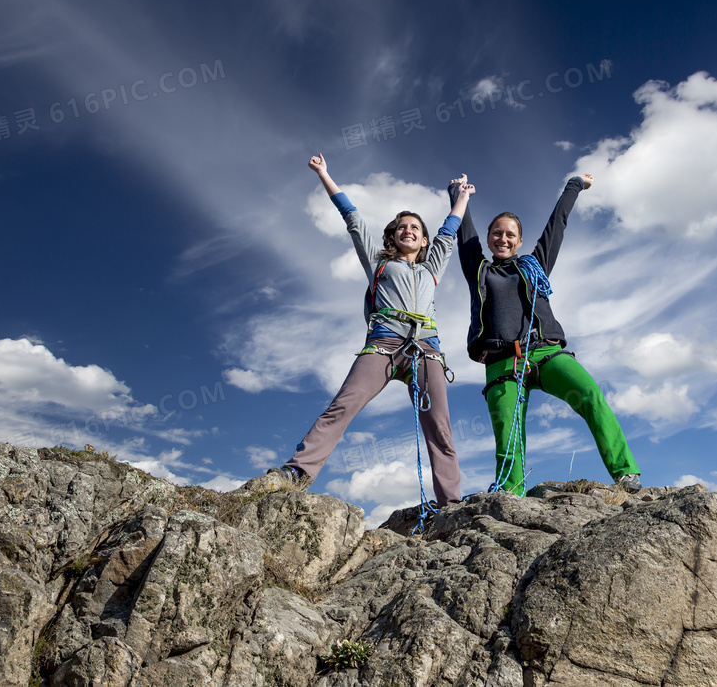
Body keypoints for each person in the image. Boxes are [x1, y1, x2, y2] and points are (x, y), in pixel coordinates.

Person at [267, 154, 474, 508]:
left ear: (424, 240)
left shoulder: (432, 268)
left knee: (440, 428)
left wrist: (462, 198)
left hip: (426, 351)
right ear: (393, 235)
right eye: (401, 227)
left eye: (415, 229)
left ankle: (450, 504)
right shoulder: (379, 263)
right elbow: (353, 218)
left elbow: (449, 232)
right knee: (342, 406)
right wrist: (324, 174)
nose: (408, 231)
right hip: (383, 346)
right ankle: (298, 471)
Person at [449, 173, 641, 496]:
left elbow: (558, 223)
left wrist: (575, 185)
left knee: (590, 394)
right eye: (497, 233)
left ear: (520, 241)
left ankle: (625, 472)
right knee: (508, 433)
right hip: (501, 362)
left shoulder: (534, 264)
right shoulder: (479, 270)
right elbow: (464, 235)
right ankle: (512, 494)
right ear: (488, 237)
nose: (503, 239)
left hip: (544, 351)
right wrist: (458, 195)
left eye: (510, 234)